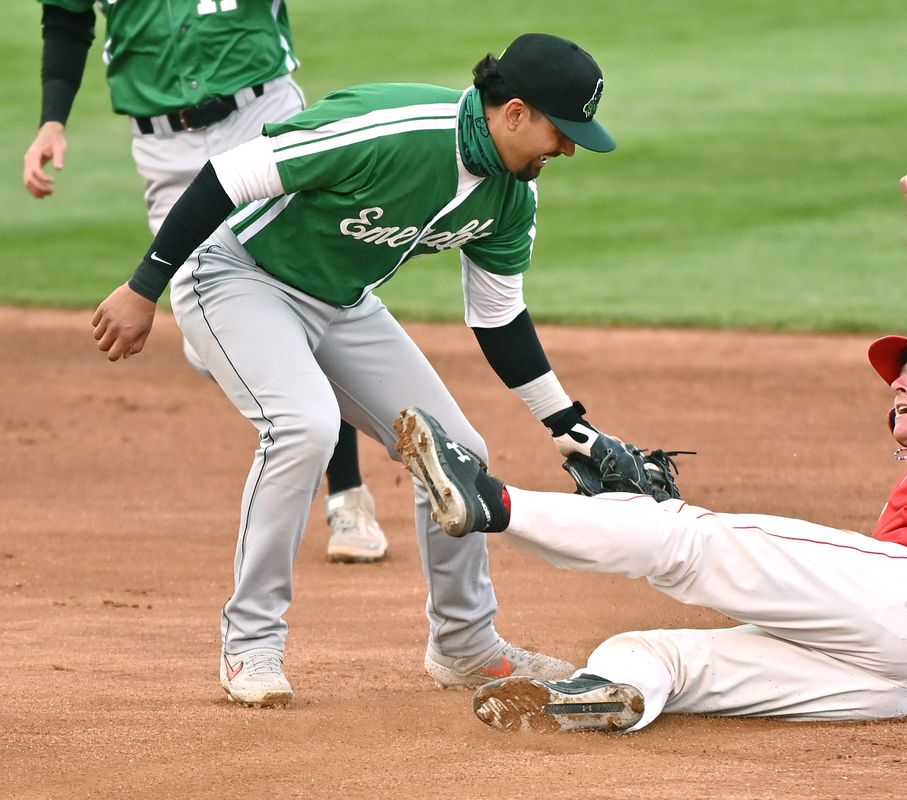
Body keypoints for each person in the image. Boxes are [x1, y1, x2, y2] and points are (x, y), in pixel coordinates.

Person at [90, 32, 636, 707]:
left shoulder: (510, 195)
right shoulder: (393, 130)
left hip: (340, 305)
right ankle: (250, 645)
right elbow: (229, 175)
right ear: (516, 112)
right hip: (234, 275)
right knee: (305, 427)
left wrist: (569, 428)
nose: (569, 149)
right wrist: (143, 286)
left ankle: (466, 647)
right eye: (563, 130)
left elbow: (499, 320)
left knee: (458, 451)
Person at [394, 175, 907, 733]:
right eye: (899, 377)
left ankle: (488, 501)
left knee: (680, 537)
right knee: (653, 655)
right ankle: (595, 699)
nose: (902, 385)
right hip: (901, 685)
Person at [23, 0, 387, 563]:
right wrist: (52, 119)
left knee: (303, 293)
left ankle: (348, 495)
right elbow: (68, 19)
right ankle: (305, 426)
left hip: (259, 115)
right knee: (209, 338)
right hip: (164, 150)